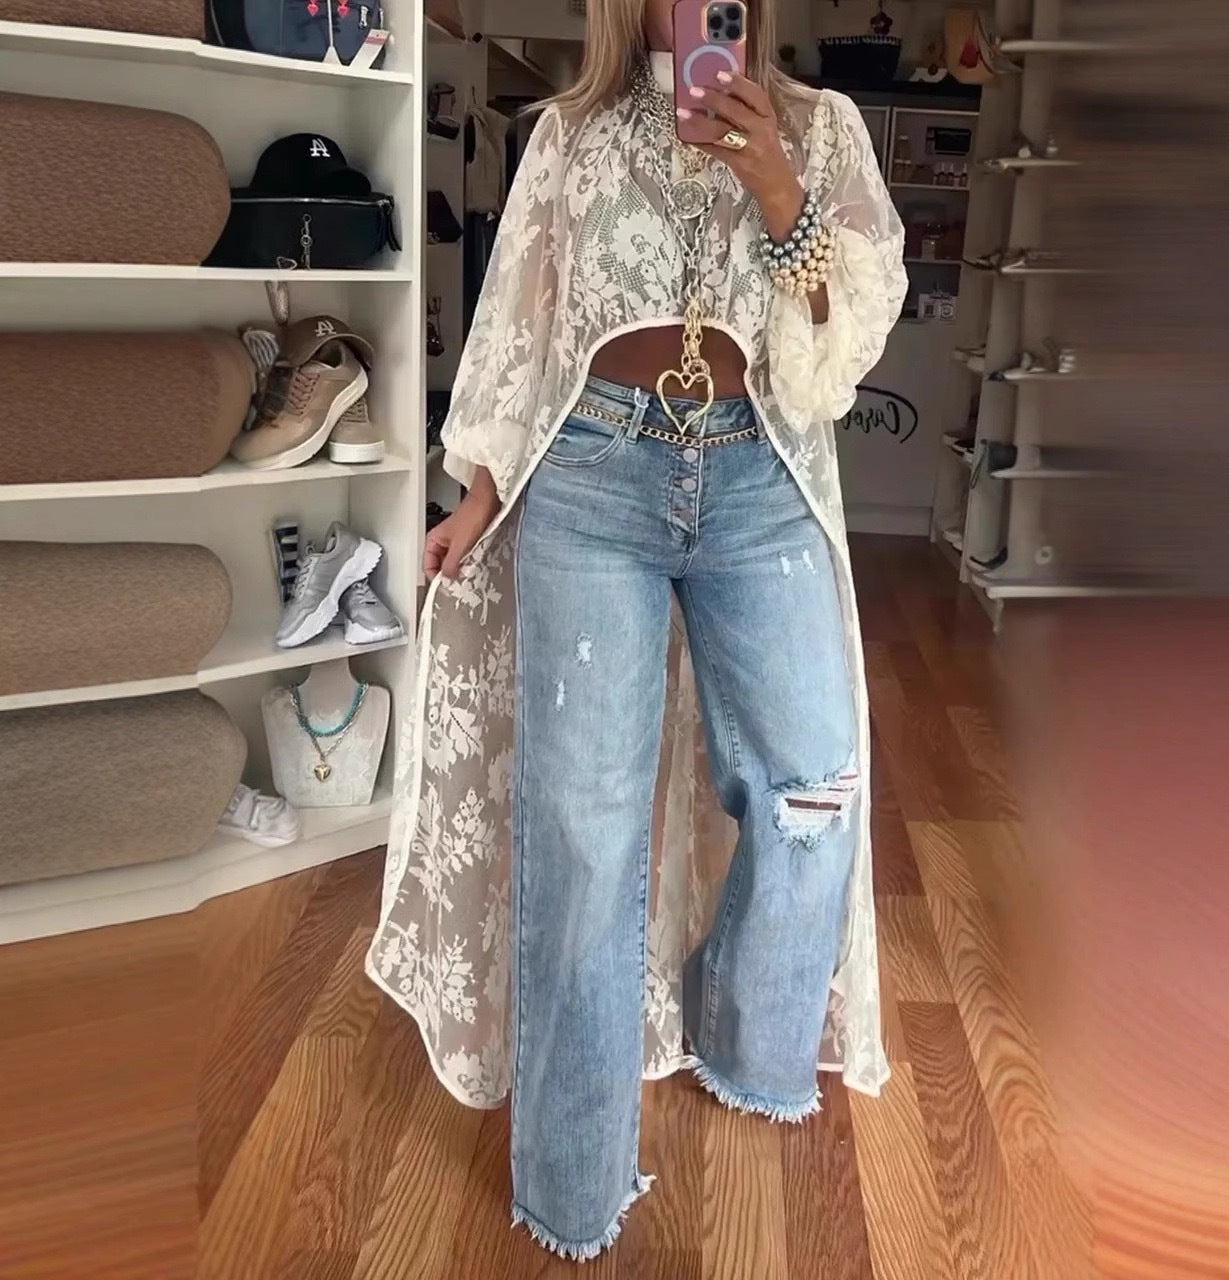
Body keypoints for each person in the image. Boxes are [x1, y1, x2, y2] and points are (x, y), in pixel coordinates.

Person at [366, 0, 906, 1261]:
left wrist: (780, 193)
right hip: (590, 472)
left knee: (813, 783)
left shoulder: (822, 128)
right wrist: (478, 492)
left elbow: (839, 355)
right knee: (581, 832)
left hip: (759, 470)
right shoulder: (567, 131)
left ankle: (744, 1030)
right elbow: (518, 322)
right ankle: (571, 1175)